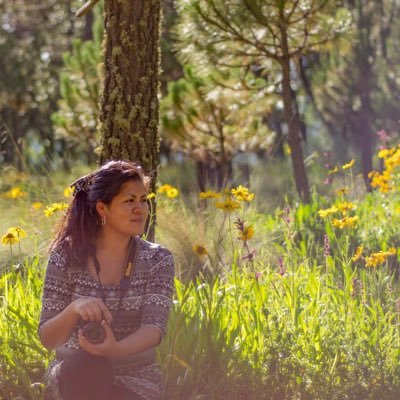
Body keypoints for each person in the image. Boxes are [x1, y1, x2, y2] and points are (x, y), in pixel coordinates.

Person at [38, 160, 175, 400]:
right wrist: (74, 309)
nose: (141, 209)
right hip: (75, 375)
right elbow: (48, 338)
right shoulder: (66, 256)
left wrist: (116, 350)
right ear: (102, 208)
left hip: (136, 379)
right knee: (89, 366)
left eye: (143, 200)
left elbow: (155, 328)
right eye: (129, 201)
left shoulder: (158, 259)